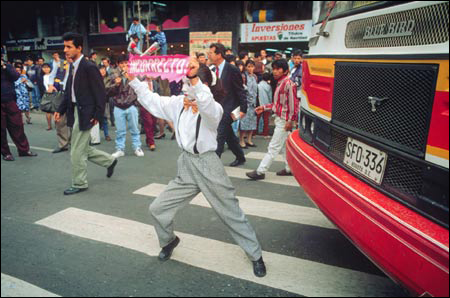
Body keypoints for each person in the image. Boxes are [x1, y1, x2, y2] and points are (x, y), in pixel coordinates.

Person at [126, 58, 267, 278]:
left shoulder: (214, 109)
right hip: (186, 164)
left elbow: (207, 104)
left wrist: (195, 81)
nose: (184, 86)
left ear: (201, 84)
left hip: (208, 164)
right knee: (158, 209)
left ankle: (256, 255)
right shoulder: (177, 104)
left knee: (230, 212)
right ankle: (169, 241)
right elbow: (152, 100)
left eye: (189, 82)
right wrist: (134, 80)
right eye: (184, 82)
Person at [54, 32, 117, 195]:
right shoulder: (72, 66)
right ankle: (110, 161)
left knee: (75, 150)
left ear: (79, 48)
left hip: (86, 113)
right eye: (64, 46)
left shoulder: (89, 67)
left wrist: (97, 115)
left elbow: (100, 93)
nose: (65, 50)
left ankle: (79, 183)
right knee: (82, 147)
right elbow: (69, 92)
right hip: (74, 111)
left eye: (69, 47)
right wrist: (59, 110)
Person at [246, 59, 299, 180]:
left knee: (273, 147)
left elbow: (293, 104)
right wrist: (264, 107)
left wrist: (290, 120)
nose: (275, 71)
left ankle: (260, 171)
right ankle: (289, 168)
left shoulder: (288, 84)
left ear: (285, 71)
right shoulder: (281, 83)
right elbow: (277, 104)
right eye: (274, 69)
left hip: (284, 120)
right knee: (284, 146)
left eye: (278, 69)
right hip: (281, 119)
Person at [208, 43, 247, 167]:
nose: (209, 55)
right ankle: (240, 157)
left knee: (219, 134)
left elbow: (240, 90)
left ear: (219, 54)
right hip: (216, 107)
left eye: (211, 53)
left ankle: (213, 164)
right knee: (228, 135)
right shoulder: (212, 70)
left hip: (229, 107)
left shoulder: (232, 70)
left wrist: (243, 109)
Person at [107, 54, 144, 158]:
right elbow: (108, 91)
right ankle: (120, 149)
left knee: (135, 128)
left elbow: (139, 88)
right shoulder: (113, 75)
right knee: (120, 130)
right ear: (118, 64)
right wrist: (116, 84)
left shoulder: (134, 73)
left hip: (131, 105)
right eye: (121, 63)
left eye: (126, 62)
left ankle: (137, 147)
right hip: (118, 106)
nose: (124, 65)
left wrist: (136, 102)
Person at [1, 58, 37, 161]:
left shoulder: (7, 66)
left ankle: (24, 150)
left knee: (17, 125)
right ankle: (6, 153)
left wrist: (4, 66)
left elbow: (16, 76)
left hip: (10, 100)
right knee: (1, 130)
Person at [239, 60, 258, 148]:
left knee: (252, 122)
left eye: (252, 66)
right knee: (244, 122)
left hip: (253, 102)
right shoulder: (243, 76)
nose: (250, 68)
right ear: (246, 67)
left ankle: (249, 140)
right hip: (246, 102)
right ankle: (241, 140)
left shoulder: (255, 77)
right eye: (249, 66)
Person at [256, 72, 272, 138]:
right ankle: (265, 133)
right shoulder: (268, 86)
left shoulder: (258, 85)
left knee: (257, 119)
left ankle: (254, 133)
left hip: (259, 104)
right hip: (266, 104)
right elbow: (270, 96)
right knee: (266, 119)